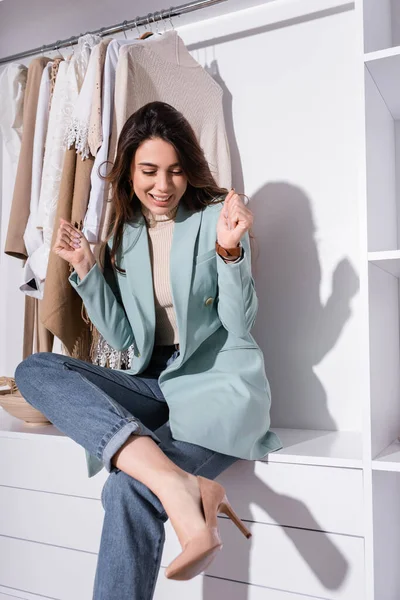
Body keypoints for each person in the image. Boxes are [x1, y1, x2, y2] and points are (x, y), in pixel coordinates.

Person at [14, 101, 282, 599]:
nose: (163, 186)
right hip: (153, 379)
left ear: (190, 171)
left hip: (213, 381)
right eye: (149, 171)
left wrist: (229, 252)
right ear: (129, 170)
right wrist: (88, 271)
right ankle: (179, 483)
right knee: (35, 370)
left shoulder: (213, 218)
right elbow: (128, 341)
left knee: (127, 487)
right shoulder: (127, 234)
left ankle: (166, 481)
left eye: (176, 171)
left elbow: (239, 326)